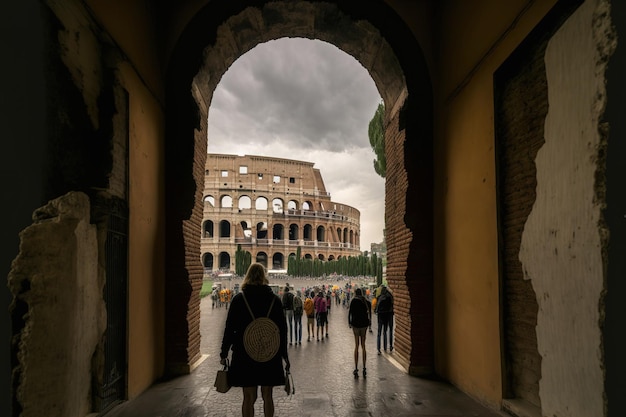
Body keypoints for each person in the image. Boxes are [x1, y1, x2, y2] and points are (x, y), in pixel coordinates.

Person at [219, 263, 290, 417]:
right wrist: (284, 355)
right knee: (267, 396)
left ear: (247, 276)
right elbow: (283, 331)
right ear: (264, 277)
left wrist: (224, 352)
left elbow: (229, 328)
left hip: (245, 352)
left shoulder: (239, 300)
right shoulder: (274, 300)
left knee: (248, 397)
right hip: (269, 352)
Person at [348, 287, 371, 378]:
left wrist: (349, 323)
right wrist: (370, 325)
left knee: (356, 345)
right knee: (363, 346)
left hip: (355, 325)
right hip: (364, 325)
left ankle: (356, 368)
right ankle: (364, 368)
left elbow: (350, 313)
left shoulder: (353, 301)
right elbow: (369, 315)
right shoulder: (366, 301)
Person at [375, 285, 394, 354]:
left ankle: (378, 348)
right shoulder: (390, 297)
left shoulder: (379, 297)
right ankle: (388, 346)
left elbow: (376, 308)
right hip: (387, 315)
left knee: (379, 333)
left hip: (380, 316)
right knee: (386, 331)